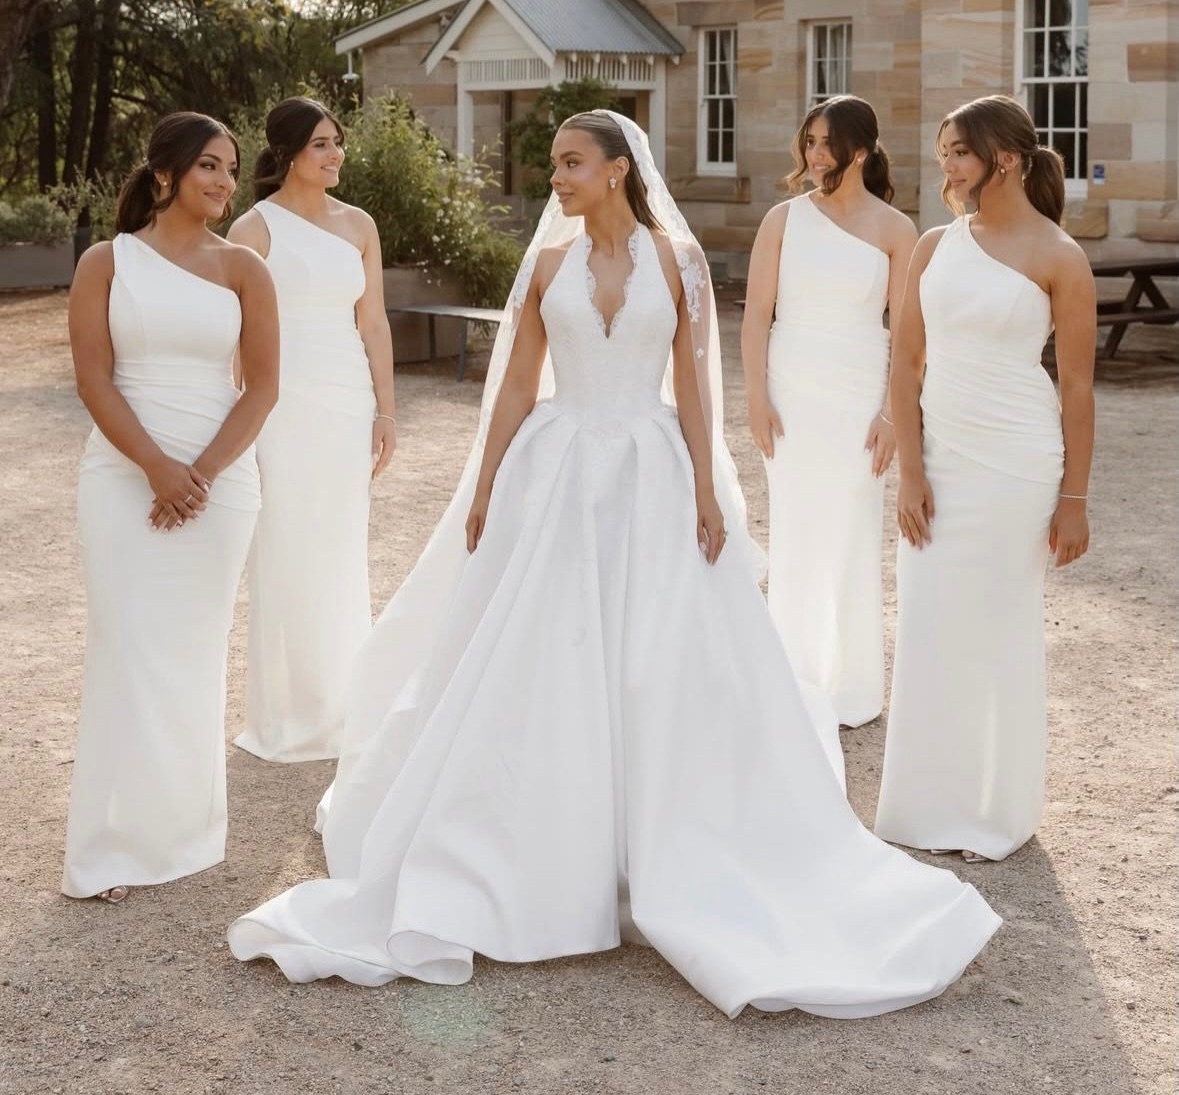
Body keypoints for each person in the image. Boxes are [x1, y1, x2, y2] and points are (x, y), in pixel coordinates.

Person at [228, 110, 999, 1018]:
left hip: (649, 468)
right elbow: (518, 381)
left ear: (617, 171)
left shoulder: (676, 263)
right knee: (540, 649)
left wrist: (710, 492)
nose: (555, 178)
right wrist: (483, 487)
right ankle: (540, 841)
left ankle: (657, 836)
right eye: (553, 164)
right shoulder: (547, 264)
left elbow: (690, 381)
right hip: (553, 472)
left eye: (569, 163)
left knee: (655, 654)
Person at [874, 94, 1096, 863]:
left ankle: (994, 811)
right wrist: (909, 471)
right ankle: (922, 807)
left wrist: (1073, 499)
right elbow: (903, 363)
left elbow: (1075, 390)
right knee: (931, 622)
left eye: (958, 153)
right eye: (943, 153)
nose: (947, 167)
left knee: (996, 632)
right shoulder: (934, 245)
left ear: (1003, 158)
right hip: (941, 460)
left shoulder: (1060, 258)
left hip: (1017, 466)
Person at [64, 112, 278, 902]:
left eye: (229, 168)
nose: (223, 182)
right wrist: (155, 467)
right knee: (126, 647)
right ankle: (111, 845)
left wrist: (201, 475)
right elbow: (93, 379)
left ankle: (181, 834)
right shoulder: (105, 262)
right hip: (122, 474)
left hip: (220, 484)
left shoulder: (245, 269)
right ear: (164, 175)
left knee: (191, 651)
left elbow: (264, 388)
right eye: (208, 168)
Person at [228, 97, 396, 763]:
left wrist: (385, 409)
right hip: (282, 404)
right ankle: (287, 714)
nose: (335, 155)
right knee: (285, 545)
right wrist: (244, 416)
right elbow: (238, 336)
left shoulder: (359, 225)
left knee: (340, 546)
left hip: (348, 399)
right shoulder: (253, 228)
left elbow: (374, 323)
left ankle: (343, 703)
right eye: (322, 145)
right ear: (291, 151)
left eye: (338, 142)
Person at [742, 96, 917, 727]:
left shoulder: (898, 231)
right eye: (809, 142)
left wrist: (894, 416)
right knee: (795, 527)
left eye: (826, 144)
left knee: (851, 530)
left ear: (861, 151)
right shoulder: (783, 220)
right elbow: (757, 313)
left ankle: (850, 683)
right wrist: (755, 396)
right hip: (791, 386)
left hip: (859, 390)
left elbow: (906, 335)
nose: (815, 155)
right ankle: (793, 676)